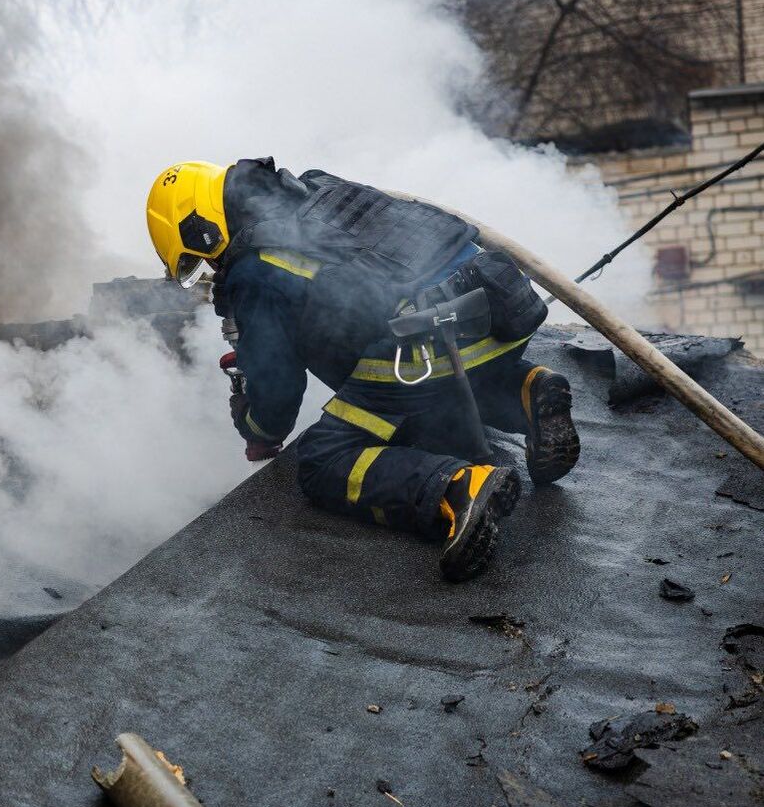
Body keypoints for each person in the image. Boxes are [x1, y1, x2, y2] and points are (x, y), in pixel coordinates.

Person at [145, 157, 580, 580]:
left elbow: (277, 399)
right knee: (437, 399)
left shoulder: (253, 268)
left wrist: (255, 425)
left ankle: (457, 486)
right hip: (498, 309)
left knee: (323, 459)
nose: (209, 271)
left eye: (194, 260)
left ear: (200, 228)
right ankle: (527, 389)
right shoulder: (316, 189)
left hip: (422, 340)